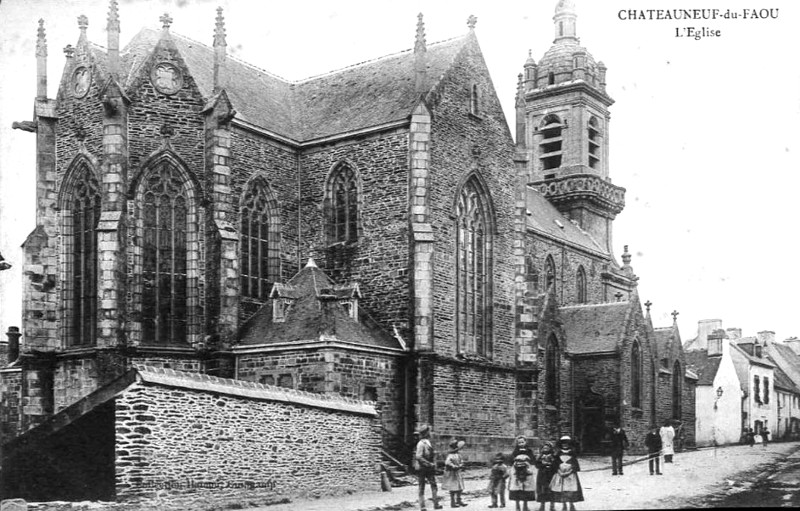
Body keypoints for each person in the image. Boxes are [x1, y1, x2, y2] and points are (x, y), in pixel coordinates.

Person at [548, 436, 583, 511]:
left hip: (570, 475)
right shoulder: (558, 453)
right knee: (562, 489)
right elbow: (555, 464)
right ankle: (564, 505)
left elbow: (575, 465)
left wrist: (569, 472)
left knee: (570, 490)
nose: (565, 445)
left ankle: (571, 504)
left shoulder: (572, 453)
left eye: (567, 443)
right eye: (563, 443)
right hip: (560, 474)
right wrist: (560, 472)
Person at [415, 424, 443, 511]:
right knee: (421, 487)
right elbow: (418, 456)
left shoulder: (428, 442)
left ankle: (436, 504)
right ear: (426, 433)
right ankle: (422, 506)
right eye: (429, 431)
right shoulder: (421, 444)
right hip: (422, 468)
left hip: (429, 468)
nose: (430, 433)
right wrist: (428, 463)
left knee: (434, 485)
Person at [442, 439, 467, 508]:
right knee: (453, 488)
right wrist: (454, 466)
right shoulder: (450, 455)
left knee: (460, 487)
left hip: (457, 472)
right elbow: (447, 463)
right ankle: (452, 502)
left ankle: (459, 500)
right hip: (452, 473)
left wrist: (461, 464)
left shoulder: (458, 455)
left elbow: (461, 461)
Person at [534, 441, 557, 511]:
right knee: (542, 491)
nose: (546, 449)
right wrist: (543, 465)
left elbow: (556, 465)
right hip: (542, 475)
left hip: (551, 475)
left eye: (547, 448)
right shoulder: (540, 456)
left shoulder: (553, 456)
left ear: (551, 448)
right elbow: (536, 465)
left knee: (552, 490)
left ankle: (552, 506)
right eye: (544, 448)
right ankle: (542, 506)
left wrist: (551, 465)